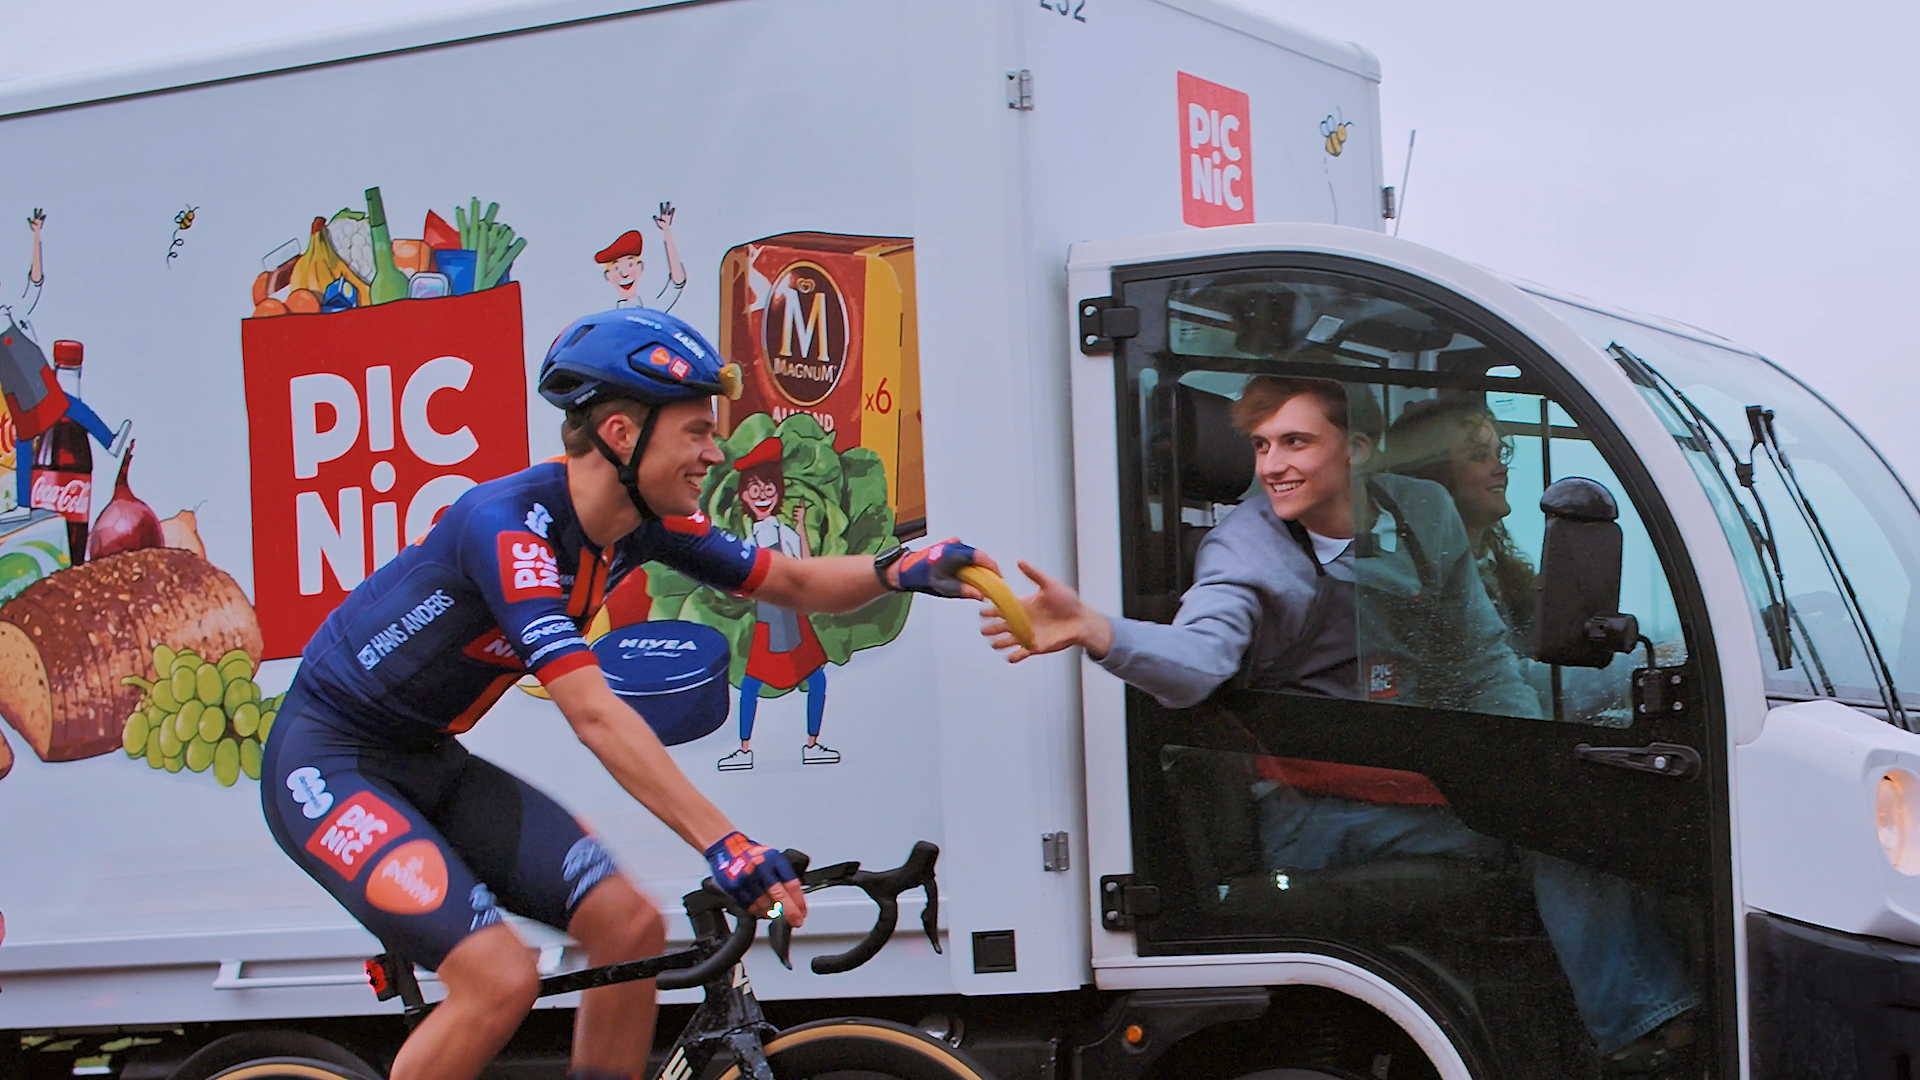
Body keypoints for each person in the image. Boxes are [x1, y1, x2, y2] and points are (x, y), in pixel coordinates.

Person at [261, 307, 997, 1080]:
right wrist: (726, 841)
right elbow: (594, 713)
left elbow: (790, 578)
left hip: (426, 760)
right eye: (696, 433)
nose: (714, 455)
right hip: (330, 764)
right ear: (620, 434)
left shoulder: (638, 525)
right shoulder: (507, 530)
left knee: (630, 925)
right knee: (498, 977)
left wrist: (899, 568)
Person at [983, 375, 1697, 1070]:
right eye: (1261, 445)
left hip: (1420, 765)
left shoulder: (1422, 511)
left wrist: (1521, 758)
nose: (1272, 465)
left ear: (1356, 449)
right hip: (1317, 802)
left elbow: (1476, 652)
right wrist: (1098, 632)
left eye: (1295, 442)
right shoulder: (1243, 550)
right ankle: (1648, 1036)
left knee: (1596, 795)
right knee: (1561, 829)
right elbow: (1197, 662)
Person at [718, 436, 835, 771]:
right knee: (752, 684)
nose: (762, 494)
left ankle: (812, 744)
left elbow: (804, 566)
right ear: (742, 495)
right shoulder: (747, 540)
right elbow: (737, 580)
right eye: (753, 488)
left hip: (793, 617)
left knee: (816, 679)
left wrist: (799, 527)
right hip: (768, 621)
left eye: (768, 487)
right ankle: (744, 750)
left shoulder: (782, 530)